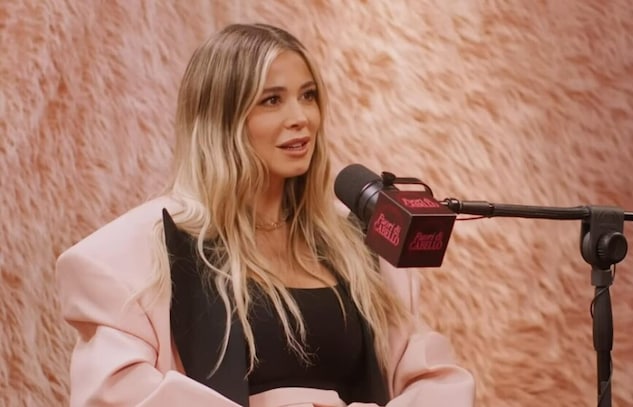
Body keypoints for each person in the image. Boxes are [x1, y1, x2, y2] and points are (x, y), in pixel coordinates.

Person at [55, 23, 475, 407]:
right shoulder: (136, 254)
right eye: (272, 100)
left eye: (308, 96)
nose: (301, 118)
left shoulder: (360, 243)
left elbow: (435, 382)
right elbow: (114, 394)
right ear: (220, 119)